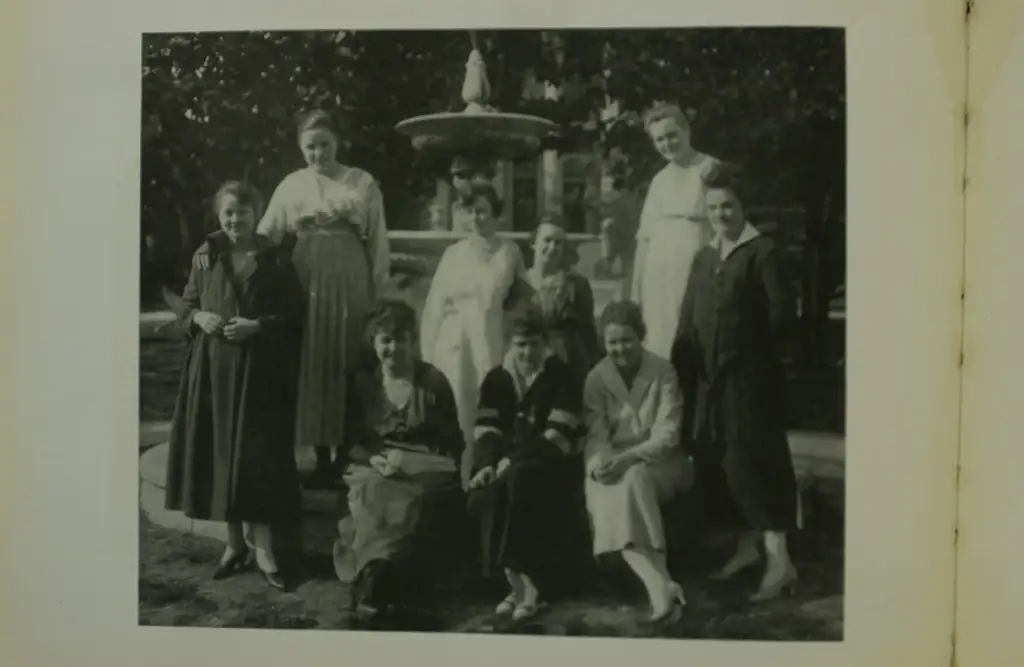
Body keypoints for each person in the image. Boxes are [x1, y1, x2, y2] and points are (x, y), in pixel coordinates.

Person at [196, 110, 391, 488]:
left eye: (325, 145)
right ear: (301, 149)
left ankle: (344, 455)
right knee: (311, 359)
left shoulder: (361, 182)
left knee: (346, 359)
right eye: (310, 147)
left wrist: (378, 293)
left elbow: (379, 240)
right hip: (304, 279)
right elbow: (263, 233)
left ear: (337, 143)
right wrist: (215, 244)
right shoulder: (292, 185)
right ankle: (318, 458)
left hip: (349, 277)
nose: (318, 154)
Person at [164, 181, 304, 591]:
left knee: (254, 457)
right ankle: (233, 544)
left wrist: (258, 325)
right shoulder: (206, 255)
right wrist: (197, 319)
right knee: (221, 452)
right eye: (227, 213)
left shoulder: (275, 258)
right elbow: (185, 301)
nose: (234, 220)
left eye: (242, 213)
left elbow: (295, 315)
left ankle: (264, 549)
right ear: (218, 215)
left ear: (256, 214)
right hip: (213, 371)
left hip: (258, 372)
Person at [672, 167, 800, 602]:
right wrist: (683, 370)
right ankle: (746, 550)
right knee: (719, 466)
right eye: (713, 207)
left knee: (754, 464)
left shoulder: (762, 253)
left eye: (728, 205)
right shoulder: (705, 258)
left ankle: (781, 563)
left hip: (749, 385)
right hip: (707, 386)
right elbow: (688, 318)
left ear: (742, 207)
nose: (721, 214)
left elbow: (783, 316)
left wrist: (746, 358)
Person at [332, 299, 465, 619]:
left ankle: (381, 580)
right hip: (371, 461)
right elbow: (349, 443)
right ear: (374, 343)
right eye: (385, 341)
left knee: (414, 495)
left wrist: (415, 462)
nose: (394, 348)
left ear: (413, 342)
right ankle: (375, 577)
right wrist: (374, 458)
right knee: (372, 488)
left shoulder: (432, 382)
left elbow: (452, 444)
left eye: (401, 340)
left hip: (422, 463)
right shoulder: (363, 382)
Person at [466, 310, 588, 622]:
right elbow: (487, 429)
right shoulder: (496, 378)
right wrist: (486, 464)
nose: (527, 352)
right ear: (510, 344)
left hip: (553, 463)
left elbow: (558, 438)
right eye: (520, 345)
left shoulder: (562, 376)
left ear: (545, 343)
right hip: (508, 465)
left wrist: (511, 460)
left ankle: (528, 587)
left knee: (522, 480)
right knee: (487, 489)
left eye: (533, 344)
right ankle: (515, 584)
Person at [583, 300, 690, 624]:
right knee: (610, 486)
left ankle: (657, 584)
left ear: (640, 336)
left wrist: (626, 459)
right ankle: (660, 583)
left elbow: (668, 435)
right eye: (613, 342)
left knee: (636, 477)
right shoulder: (597, 378)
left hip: (662, 462)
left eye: (627, 339)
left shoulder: (662, 371)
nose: (620, 349)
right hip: (613, 462)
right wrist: (600, 462)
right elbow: (595, 434)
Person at [420, 184, 530, 486]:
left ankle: (484, 476)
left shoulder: (509, 252)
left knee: (487, 407)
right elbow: (434, 306)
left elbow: (525, 299)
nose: (475, 218)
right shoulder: (454, 254)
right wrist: (427, 354)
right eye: (470, 211)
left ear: (496, 214)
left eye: (481, 210)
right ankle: (453, 479)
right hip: (454, 342)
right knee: (455, 406)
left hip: (491, 338)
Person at [630, 103, 721, 359]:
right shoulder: (660, 180)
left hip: (697, 267)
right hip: (658, 274)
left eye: (672, 135)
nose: (667, 144)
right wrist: (636, 291)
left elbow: (725, 227)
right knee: (660, 339)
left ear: (686, 130)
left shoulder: (709, 169)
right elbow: (644, 238)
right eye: (659, 139)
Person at [524, 214, 600, 380]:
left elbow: (588, 334)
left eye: (558, 243)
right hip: (526, 361)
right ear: (533, 243)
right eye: (547, 240)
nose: (552, 247)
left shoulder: (576, 284)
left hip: (565, 365)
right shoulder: (518, 282)